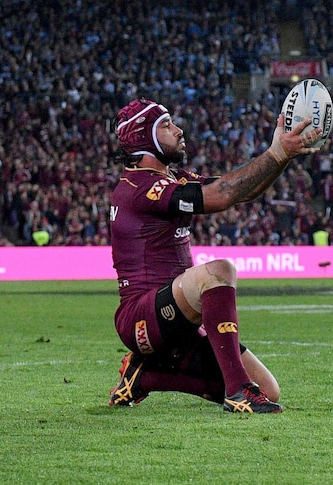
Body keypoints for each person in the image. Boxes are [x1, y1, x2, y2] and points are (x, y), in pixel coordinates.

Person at [107, 98, 322, 413]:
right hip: (142, 318)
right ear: (144, 138)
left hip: (178, 320)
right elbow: (221, 196)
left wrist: (281, 154)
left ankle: (144, 377)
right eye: (166, 125)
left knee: (269, 389)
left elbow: (239, 191)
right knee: (218, 271)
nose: (179, 131)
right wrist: (277, 153)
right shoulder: (139, 187)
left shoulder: (170, 179)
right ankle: (238, 393)